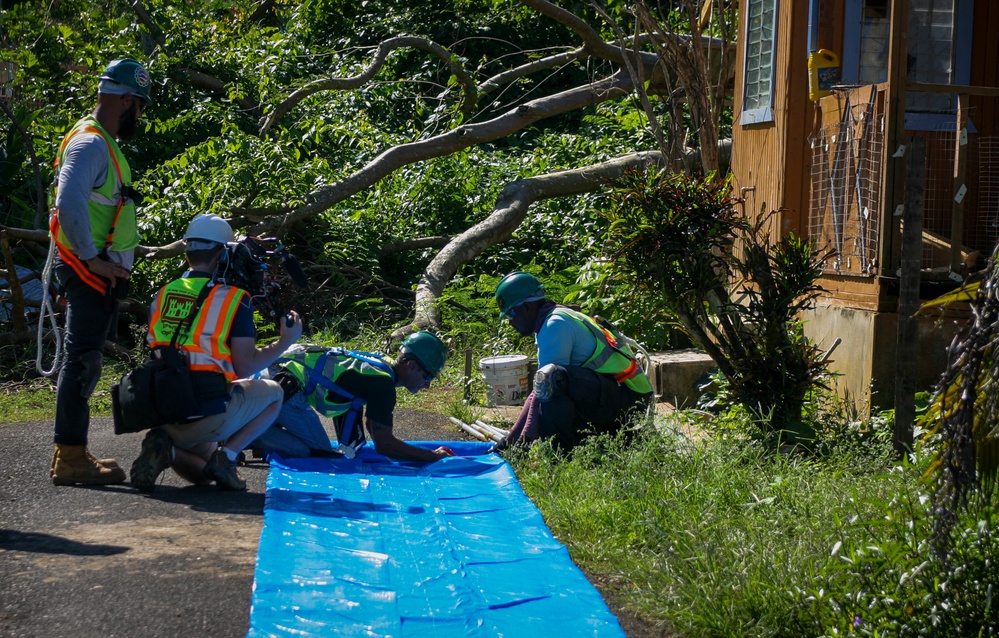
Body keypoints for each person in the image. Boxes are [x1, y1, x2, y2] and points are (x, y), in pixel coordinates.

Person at [128, 214, 303, 492]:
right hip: (203, 410)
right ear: (222, 255)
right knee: (275, 392)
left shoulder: (163, 294)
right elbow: (245, 367)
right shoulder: (233, 298)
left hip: (162, 409)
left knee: (204, 475)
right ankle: (229, 455)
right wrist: (285, 341)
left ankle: (167, 449)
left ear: (188, 253)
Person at [49, 58, 153, 486]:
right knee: (83, 360)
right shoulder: (91, 144)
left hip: (94, 272)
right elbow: (68, 205)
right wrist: (92, 258)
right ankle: (70, 456)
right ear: (126, 100)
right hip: (87, 271)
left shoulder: (99, 141)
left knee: (86, 359)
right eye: (140, 106)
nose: (141, 116)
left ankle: (73, 451)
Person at [494, 272, 654, 452]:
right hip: (618, 397)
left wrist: (518, 441)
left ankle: (557, 456)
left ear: (527, 307)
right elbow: (540, 393)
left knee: (552, 379)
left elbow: (544, 386)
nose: (510, 322)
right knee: (552, 387)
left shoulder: (555, 324)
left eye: (510, 314)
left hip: (630, 402)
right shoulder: (556, 318)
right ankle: (579, 448)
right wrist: (511, 440)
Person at [250, 332, 455, 462]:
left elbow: (370, 427)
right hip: (284, 389)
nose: (427, 384)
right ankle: (248, 433)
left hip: (272, 373)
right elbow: (384, 444)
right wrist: (431, 456)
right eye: (426, 376)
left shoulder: (380, 364)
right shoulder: (383, 384)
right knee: (318, 455)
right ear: (410, 365)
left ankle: (259, 424)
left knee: (332, 452)